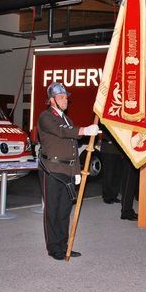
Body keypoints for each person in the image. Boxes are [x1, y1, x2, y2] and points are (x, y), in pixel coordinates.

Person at [37, 82, 99, 261]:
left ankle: (65, 246)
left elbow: (73, 148)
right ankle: (53, 248)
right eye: (62, 97)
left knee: (64, 211)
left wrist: (77, 171)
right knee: (53, 210)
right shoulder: (46, 117)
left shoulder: (67, 119)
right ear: (52, 100)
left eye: (66, 97)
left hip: (67, 170)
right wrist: (84, 130)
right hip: (52, 170)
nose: (65, 100)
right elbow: (61, 132)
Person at [99, 126, 122, 204]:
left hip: (118, 150)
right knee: (108, 174)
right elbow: (101, 130)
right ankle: (107, 196)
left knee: (117, 174)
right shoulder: (106, 120)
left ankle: (114, 195)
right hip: (108, 148)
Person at [119, 155, 139, 221]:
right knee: (129, 182)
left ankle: (127, 210)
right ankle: (126, 211)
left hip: (136, 155)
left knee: (132, 182)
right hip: (130, 155)